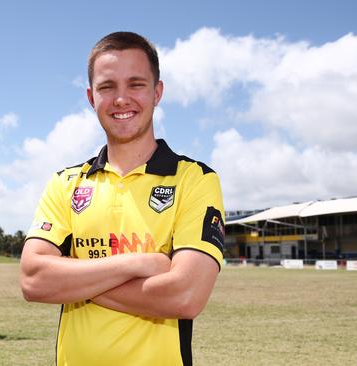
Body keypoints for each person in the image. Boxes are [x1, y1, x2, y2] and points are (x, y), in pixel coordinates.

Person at [20, 31, 225, 366]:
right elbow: (32, 280)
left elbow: (185, 295)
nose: (121, 98)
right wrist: (139, 264)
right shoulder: (66, 183)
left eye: (136, 84)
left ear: (157, 92)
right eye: (107, 86)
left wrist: (72, 282)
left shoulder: (194, 179)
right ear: (91, 97)